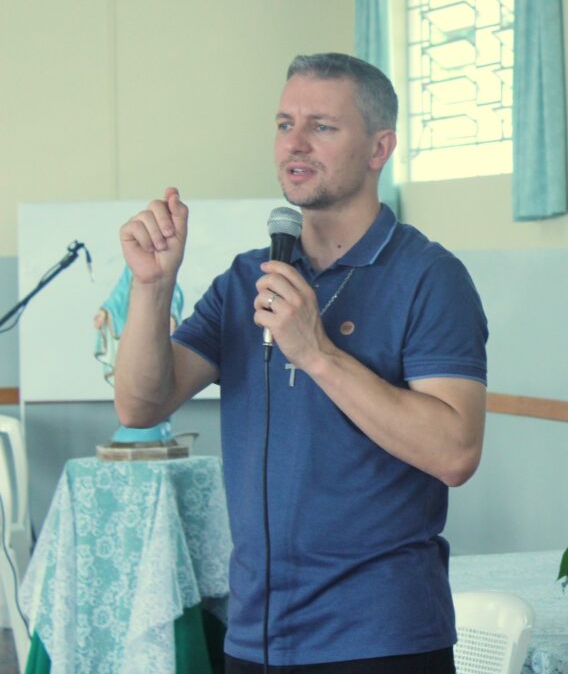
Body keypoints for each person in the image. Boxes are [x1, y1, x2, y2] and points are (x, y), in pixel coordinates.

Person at [114, 53, 488, 672]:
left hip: (380, 636)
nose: (296, 143)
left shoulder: (430, 277)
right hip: (256, 634)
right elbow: (140, 404)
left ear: (378, 148)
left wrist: (317, 354)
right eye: (285, 123)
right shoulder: (246, 278)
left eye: (322, 126)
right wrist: (151, 289)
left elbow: (455, 453)